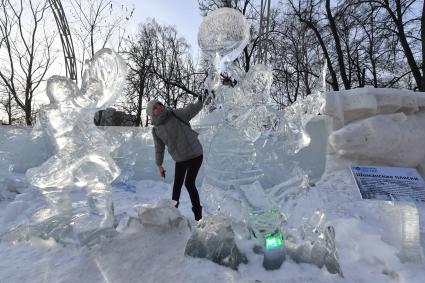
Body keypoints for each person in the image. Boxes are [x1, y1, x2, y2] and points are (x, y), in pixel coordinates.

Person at [147, 96, 204, 221]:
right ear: (152, 113)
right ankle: (173, 214)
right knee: (176, 186)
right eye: (155, 108)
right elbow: (159, 148)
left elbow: (191, 109)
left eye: (159, 104)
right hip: (180, 159)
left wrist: (201, 99)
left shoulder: (176, 114)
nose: (159, 107)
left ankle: (198, 216)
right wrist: (159, 165)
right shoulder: (156, 130)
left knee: (189, 183)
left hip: (195, 154)